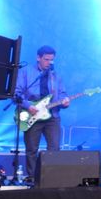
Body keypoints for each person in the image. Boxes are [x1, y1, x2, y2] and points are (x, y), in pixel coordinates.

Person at [14, 45, 70, 182]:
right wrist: (28, 106)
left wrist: (65, 101)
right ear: (38, 58)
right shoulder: (25, 72)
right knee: (32, 149)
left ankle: (51, 178)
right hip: (32, 115)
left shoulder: (56, 76)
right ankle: (33, 178)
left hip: (53, 116)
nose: (49, 63)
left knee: (54, 148)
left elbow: (62, 94)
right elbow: (16, 93)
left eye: (52, 60)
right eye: (46, 59)